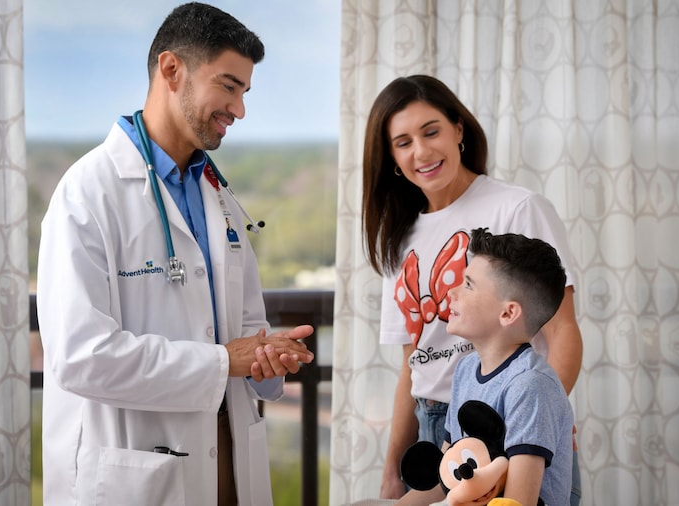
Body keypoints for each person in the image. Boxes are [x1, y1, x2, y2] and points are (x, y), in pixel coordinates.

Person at [36, 4, 314, 505]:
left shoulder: (218, 197)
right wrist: (222, 361)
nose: (240, 110)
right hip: (137, 466)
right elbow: (81, 358)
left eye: (245, 92)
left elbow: (245, 330)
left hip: (226, 453)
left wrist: (267, 356)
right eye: (229, 86)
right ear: (171, 70)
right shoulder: (87, 193)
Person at [361, 75, 583, 504]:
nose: (421, 152)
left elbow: (563, 331)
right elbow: (413, 364)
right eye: (403, 141)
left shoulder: (516, 207)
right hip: (436, 437)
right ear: (390, 155)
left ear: (458, 130)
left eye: (431, 131)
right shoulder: (399, 236)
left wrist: (538, 417)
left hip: (503, 427)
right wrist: (392, 468)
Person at [397, 228, 574, 505]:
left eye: (468, 284)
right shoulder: (467, 370)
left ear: (508, 313)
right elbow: (445, 480)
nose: (451, 292)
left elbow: (517, 501)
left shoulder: (530, 385)